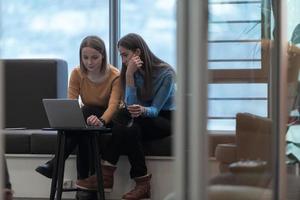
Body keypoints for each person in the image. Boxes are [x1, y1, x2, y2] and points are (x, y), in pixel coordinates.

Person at [75, 33, 176, 200]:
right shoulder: (130, 71)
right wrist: (129, 75)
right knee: (129, 128)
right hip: (139, 118)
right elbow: (129, 106)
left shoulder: (166, 73)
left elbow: (155, 110)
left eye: (125, 55)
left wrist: (142, 110)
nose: (122, 60)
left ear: (137, 52)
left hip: (165, 119)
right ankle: (142, 183)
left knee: (125, 121)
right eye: (121, 55)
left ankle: (107, 172)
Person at [35, 35, 122, 195]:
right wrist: (72, 118)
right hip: (88, 119)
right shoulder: (77, 73)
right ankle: (85, 190)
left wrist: (101, 120)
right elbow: (71, 103)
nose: (89, 62)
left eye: (95, 57)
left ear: (103, 56)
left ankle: (55, 164)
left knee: (86, 113)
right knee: (83, 127)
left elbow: (113, 105)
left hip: (108, 120)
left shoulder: (115, 75)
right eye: (85, 57)